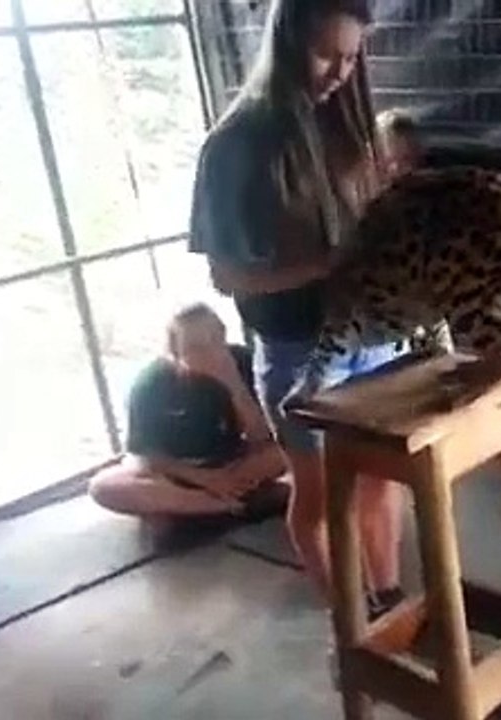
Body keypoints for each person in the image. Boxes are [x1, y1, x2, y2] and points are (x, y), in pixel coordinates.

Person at [187, 0, 410, 619]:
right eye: (325, 54)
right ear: (286, 43)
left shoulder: (346, 123)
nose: (339, 71)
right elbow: (229, 277)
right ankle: (352, 623)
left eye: (351, 56)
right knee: (321, 498)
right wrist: (330, 264)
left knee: (381, 477)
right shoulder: (235, 144)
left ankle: (387, 600)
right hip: (300, 352)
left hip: (376, 336)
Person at [87, 303, 290, 522]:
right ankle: (226, 505)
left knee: (293, 448)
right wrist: (205, 479)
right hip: (175, 471)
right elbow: (145, 454)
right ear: (175, 352)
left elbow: (261, 436)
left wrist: (233, 385)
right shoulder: (152, 384)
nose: (211, 352)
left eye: (215, 339)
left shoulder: (243, 361)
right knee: (104, 487)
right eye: (196, 347)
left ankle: (202, 504)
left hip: (233, 462)